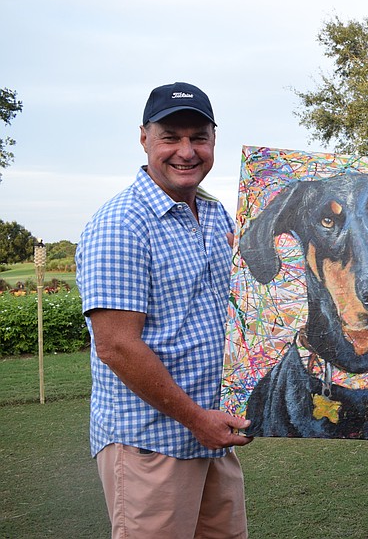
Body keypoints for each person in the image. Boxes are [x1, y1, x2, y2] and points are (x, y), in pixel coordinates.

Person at [76, 82, 252, 538]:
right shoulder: (122, 222)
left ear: (214, 140)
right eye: (171, 137)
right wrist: (198, 420)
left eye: (199, 137)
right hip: (151, 443)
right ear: (145, 139)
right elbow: (115, 346)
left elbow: (239, 308)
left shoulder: (215, 216)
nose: (187, 151)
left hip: (213, 436)